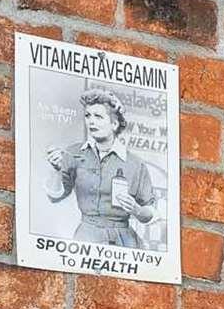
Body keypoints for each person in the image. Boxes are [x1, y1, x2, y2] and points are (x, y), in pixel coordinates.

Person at [45, 91, 162, 249]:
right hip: (86, 238)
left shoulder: (135, 164)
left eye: (98, 117)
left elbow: (150, 212)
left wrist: (137, 209)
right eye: (88, 116)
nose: (91, 122)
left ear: (114, 124)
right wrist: (56, 169)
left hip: (124, 242)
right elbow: (54, 196)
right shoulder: (73, 153)